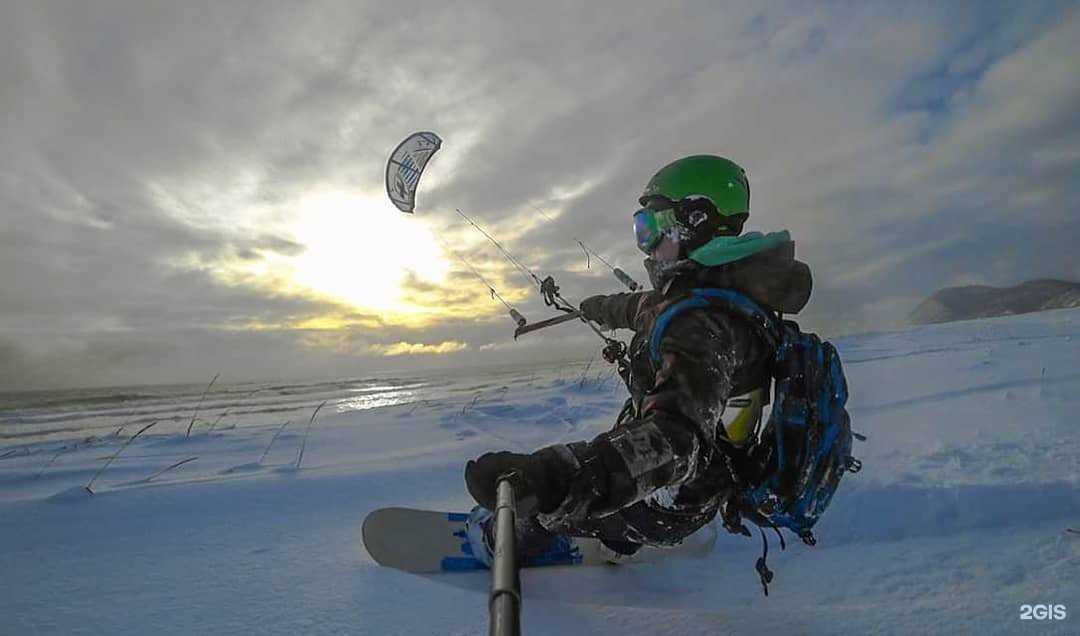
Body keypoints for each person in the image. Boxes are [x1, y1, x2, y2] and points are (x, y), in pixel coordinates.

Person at [464, 155, 813, 563]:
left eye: (652, 228)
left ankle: (510, 539)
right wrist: (595, 307)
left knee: (548, 511)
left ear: (694, 221)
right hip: (704, 472)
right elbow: (641, 308)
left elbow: (674, 442)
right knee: (618, 457)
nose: (646, 245)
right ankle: (617, 541)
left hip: (675, 495)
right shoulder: (712, 290)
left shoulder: (704, 324)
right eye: (640, 229)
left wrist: (550, 480)